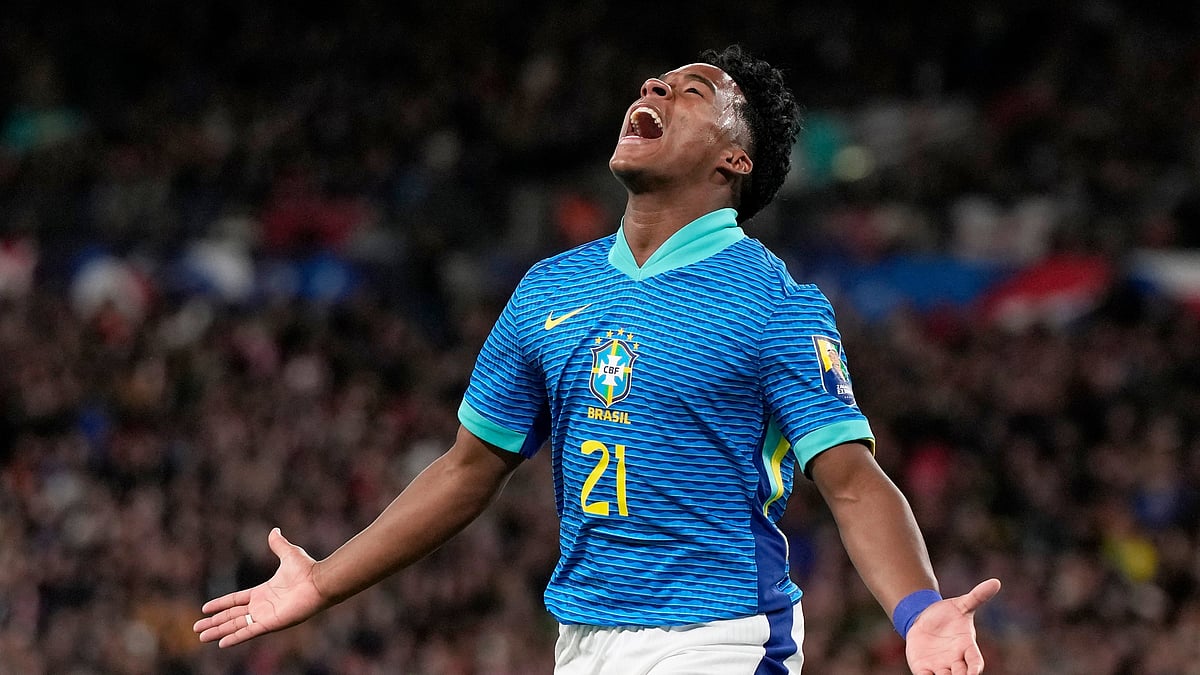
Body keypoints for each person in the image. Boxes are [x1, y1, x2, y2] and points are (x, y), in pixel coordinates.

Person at [194, 44, 1001, 673]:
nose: (653, 91)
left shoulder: (774, 303)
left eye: (691, 92)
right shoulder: (551, 287)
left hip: (717, 637)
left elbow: (855, 484)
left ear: (736, 160)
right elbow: (467, 468)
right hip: (582, 638)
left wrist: (917, 608)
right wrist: (323, 579)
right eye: (653, 84)